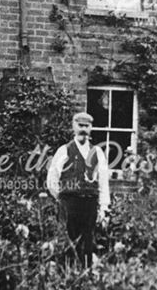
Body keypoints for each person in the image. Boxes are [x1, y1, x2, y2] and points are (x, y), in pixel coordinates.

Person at [46, 111, 110, 267]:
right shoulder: (64, 150)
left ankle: (85, 278)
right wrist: (62, 198)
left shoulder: (98, 152)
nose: (83, 129)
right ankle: (66, 277)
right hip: (69, 204)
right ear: (73, 127)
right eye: (80, 125)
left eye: (87, 126)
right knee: (67, 242)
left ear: (91, 128)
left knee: (87, 242)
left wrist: (103, 207)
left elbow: (103, 182)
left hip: (89, 203)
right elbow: (52, 179)